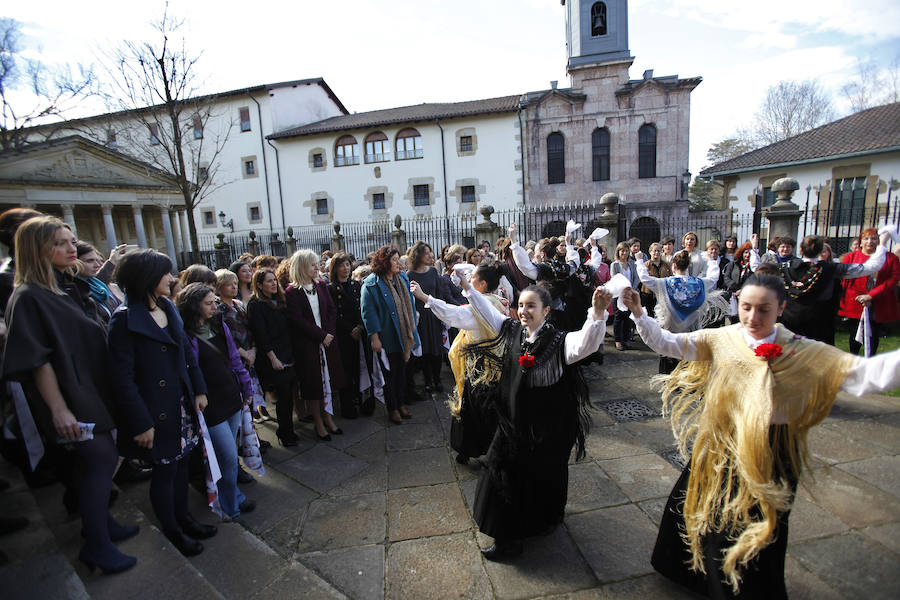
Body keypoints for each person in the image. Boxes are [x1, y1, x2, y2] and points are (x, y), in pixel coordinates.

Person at [621, 276, 900, 599]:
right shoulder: (723, 338)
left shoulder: (802, 350)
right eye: (747, 307)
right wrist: (640, 314)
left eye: (764, 310)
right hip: (723, 446)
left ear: (781, 308)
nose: (753, 317)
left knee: (760, 527)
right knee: (701, 511)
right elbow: (669, 343)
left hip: (773, 451)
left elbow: (863, 375)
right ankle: (691, 572)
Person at [3, 216, 138, 574]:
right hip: (70, 396)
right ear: (38, 249)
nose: (70, 248)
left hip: (90, 388)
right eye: (60, 243)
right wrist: (59, 410)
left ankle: (102, 525)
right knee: (100, 461)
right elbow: (38, 361)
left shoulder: (61, 287)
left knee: (96, 463)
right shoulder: (29, 296)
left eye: (71, 240)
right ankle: (96, 546)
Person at [457, 275, 611, 560]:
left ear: (546, 310)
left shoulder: (559, 341)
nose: (524, 311)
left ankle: (539, 523)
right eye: (521, 305)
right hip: (512, 423)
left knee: (542, 476)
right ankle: (507, 540)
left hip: (546, 428)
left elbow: (586, 344)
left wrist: (598, 313)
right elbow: (487, 312)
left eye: (531, 306)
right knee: (499, 473)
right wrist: (468, 289)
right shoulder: (512, 329)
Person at [108, 249, 217, 558]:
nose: (172, 279)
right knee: (165, 474)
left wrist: (198, 388)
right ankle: (172, 530)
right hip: (155, 413)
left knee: (182, 467)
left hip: (181, 403)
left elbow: (185, 352)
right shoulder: (124, 320)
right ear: (147, 278)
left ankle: (184, 518)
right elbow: (121, 379)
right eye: (166, 273)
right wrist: (141, 423)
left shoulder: (167, 306)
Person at [410, 262, 510, 465]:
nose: (469, 280)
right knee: (491, 408)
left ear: (481, 284)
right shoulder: (499, 301)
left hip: (480, 366)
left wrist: (424, 297)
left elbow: (453, 314)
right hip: (497, 363)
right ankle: (490, 448)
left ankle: (471, 449)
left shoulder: (480, 308)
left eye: (472, 278)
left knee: (473, 408)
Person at [177, 283, 255, 520]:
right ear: (193, 306)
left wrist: (246, 387)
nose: (215, 306)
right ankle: (229, 506)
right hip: (209, 404)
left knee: (228, 455)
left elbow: (233, 358)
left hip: (231, 395)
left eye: (214, 302)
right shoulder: (185, 334)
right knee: (229, 456)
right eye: (208, 303)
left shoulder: (218, 324)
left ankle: (232, 495)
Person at [775, 233, 889, 345]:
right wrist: (882, 244)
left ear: (800, 250)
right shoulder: (831, 268)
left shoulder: (784, 268)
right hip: (820, 323)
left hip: (791, 321)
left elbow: (759, 272)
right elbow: (870, 267)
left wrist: (755, 251)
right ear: (820, 251)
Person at [284, 249, 345, 441]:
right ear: (301, 267)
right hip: (308, 346)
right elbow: (297, 320)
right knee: (313, 386)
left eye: (316, 263)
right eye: (312, 264)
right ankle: (318, 422)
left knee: (328, 382)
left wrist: (328, 334)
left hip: (326, 343)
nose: (316, 267)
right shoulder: (292, 292)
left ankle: (329, 417)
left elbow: (331, 312)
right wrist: (320, 336)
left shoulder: (321, 286)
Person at [635, 249, 726, 373]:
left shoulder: (665, 283)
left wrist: (640, 261)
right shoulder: (698, 283)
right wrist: (712, 262)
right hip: (691, 334)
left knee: (668, 363)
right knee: (688, 366)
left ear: (674, 266)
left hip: (670, 332)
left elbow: (645, 278)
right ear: (688, 266)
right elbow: (713, 278)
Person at [360, 246, 420, 425]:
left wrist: (412, 329)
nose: (398, 263)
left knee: (402, 371)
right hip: (386, 337)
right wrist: (374, 337)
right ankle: (392, 408)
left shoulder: (402, 277)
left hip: (403, 335)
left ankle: (401, 403)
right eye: (394, 260)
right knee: (389, 374)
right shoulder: (371, 284)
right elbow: (368, 312)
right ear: (384, 262)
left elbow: (409, 304)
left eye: (398, 259)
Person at [246, 268, 298, 446]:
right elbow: (261, 334)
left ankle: (288, 429)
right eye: (269, 281)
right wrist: (273, 358)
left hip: (287, 351)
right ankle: (285, 433)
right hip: (272, 356)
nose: (274, 283)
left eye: (274, 280)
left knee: (289, 394)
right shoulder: (256, 305)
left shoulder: (279, 300)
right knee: (282, 396)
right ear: (259, 285)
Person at [838, 228, 900, 355]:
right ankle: (853, 360)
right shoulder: (851, 257)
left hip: (878, 301)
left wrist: (871, 296)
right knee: (855, 333)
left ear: (879, 241)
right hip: (856, 301)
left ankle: (871, 362)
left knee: (873, 335)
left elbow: (893, 279)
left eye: (874, 238)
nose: (870, 241)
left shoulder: (890, 258)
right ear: (860, 242)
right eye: (866, 238)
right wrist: (859, 298)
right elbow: (845, 280)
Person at [406, 241, 456, 396]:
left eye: (430, 252)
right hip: (420, 318)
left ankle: (437, 379)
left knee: (437, 350)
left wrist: (442, 313)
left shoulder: (434, 272)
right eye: (426, 253)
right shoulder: (409, 275)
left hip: (434, 316)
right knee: (425, 351)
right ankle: (427, 382)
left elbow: (439, 293)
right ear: (418, 255)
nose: (430, 255)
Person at [328, 252, 371, 418]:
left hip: (359, 333)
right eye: (341, 265)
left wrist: (360, 326)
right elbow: (334, 314)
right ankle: (347, 405)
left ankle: (361, 400)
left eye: (347, 265)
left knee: (360, 368)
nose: (345, 268)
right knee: (346, 370)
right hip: (344, 336)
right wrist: (349, 329)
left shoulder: (356, 285)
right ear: (335, 268)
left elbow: (362, 307)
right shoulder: (331, 288)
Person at [75, 241, 122, 323]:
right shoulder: (76, 290)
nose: (97, 265)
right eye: (89, 261)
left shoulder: (99, 287)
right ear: (75, 262)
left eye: (98, 260)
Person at [611, 241, 640, 350]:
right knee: (619, 318)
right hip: (619, 295)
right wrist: (622, 290)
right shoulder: (615, 265)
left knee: (628, 318)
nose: (624, 253)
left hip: (630, 293)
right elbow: (614, 278)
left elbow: (636, 278)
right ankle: (618, 340)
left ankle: (626, 339)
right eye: (622, 250)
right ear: (618, 252)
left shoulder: (632, 264)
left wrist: (631, 289)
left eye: (627, 250)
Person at [639, 242, 671, 318]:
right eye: (654, 251)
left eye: (658, 251)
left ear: (661, 252)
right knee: (649, 316)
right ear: (650, 252)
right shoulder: (646, 265)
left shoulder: (666, 265)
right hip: (648, 295)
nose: (656, 252)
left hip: (662, 294)